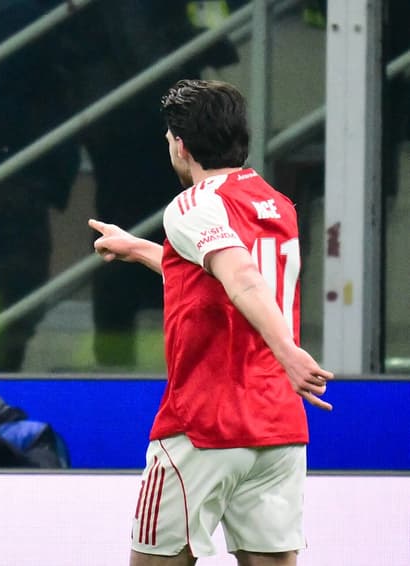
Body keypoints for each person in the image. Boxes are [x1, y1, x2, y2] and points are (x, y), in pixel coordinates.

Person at [89, 80, 334, 565]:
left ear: (181, 145)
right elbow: (222, 280)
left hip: (202, 425)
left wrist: (286, 351)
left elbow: (240, 276)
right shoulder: (276, 204)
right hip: (277, 428)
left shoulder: (192, 204)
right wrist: (139, 248)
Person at [57, 0, 240, 367]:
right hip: (135, 129)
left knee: (146, 236)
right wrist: (195, 54)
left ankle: (126, 355)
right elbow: (145, 55)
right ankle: (123, 357)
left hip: (129, 125)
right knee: (140, 237)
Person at [0, 0, 81, 371]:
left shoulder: (18, 13)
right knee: (22, 286)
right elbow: (2, 101)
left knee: (21, 288)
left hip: (12, 170)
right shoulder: (19, 15)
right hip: (9, 172)